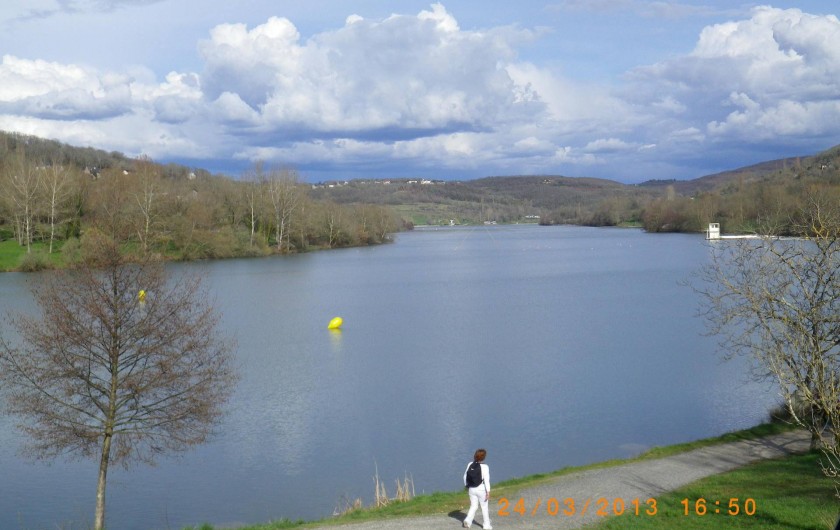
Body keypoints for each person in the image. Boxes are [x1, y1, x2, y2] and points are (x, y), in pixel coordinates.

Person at [462, 448, 492, 529]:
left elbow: (465, 476)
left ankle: (468, 520)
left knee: (473, 506)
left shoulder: (470, 464)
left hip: (471, 488)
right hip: (481, 489)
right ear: (484, 457)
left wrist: (467, 486)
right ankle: (486, 525)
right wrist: (488, 492)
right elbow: (486, 480)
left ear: (475, 455)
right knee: (484, 507)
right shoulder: (485, 467)